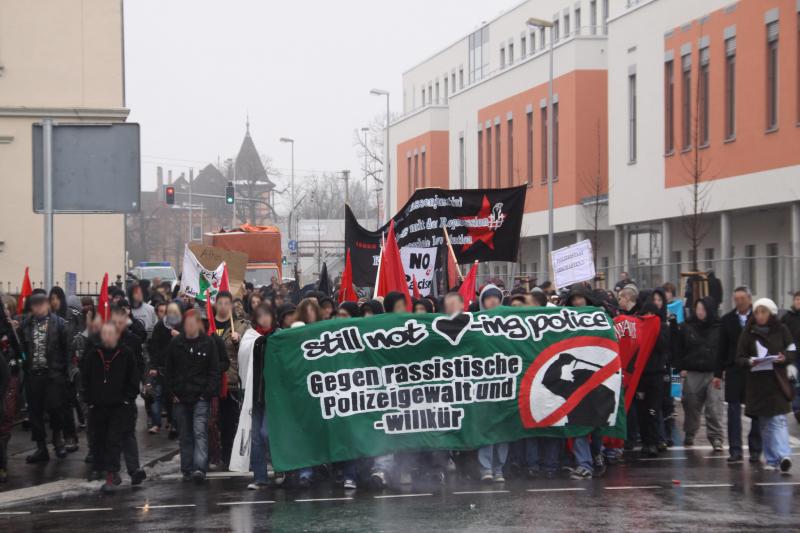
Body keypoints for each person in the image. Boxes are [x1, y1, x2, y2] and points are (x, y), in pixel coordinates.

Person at [736, 298, 796, 474]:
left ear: (771, 313)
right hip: (757, 385)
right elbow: (739, 358)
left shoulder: (782, 329)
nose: (760, 316)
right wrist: (750, 361)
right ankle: (771, 458)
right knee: (764, 423)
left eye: (764, 312)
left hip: (777, 381)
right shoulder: (748, 332)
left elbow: (792, 350)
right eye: (757, 312)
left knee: (779, 420)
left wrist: (784, 357)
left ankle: (784, 456)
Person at [82, 322, 140, 492]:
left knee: (114, 439)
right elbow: (85, 377)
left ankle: (111, 473)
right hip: (98, 404)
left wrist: (127, 398)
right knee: (98, 437)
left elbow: (133, 378)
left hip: (119, 406)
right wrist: (88, 398)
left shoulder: (125, 354)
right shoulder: (94, 354)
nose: (107, 336)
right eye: (104, 333)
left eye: (110, 333)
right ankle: (99, 468)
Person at [164, 309, 220, 483]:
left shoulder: (208, 343)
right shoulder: (176, 343)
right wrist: (172, 393)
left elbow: (214, 371)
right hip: (180, 397)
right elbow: (169, 371)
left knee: (199, 432)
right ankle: (187, 468)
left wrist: (206, 394)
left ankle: (199, 468)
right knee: (185, 434)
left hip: (200, 397)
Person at [19, 292, 70, 462]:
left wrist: (65, 373)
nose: (39, 308)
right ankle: (41, 447)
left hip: (54, 375)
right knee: (35, 413)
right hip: (33, 375)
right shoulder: (25, 324)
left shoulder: (60, 324)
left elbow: (67, 351)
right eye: (35, 305)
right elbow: (21, 348)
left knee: (56, 409)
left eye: (42, 304)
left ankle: (58, 440)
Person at [717, 286, 762, 463]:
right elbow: (721, 347)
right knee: (733, 411)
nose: (740, 302)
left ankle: (756, 449)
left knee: (755, 411)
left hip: (754, 370)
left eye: (743, 299)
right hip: (734, 369)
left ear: (750, 299)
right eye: (736, 299)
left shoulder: (758, 317)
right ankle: (735, 450)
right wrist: (717, 373)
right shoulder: (727, 319)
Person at [674, 298, 724, 450]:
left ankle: (716, 438)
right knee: (691, 406)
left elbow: (723, 350)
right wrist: (680, 367)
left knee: (714, 406)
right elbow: (678, 349)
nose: (700, 312)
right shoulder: (686, 327)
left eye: (703, 309)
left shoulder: (719, 328)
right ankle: (690, 433)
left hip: (713, 372)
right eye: (698, 309)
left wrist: (721, 370)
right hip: (693, 372)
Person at [239, 305, 279, 490]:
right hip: (255, 395)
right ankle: (260, 478)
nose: (264, 319)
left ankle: (281, 469)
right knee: (255, 436)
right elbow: (244, 358)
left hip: (274, 396)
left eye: (267, 314)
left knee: (267, 433)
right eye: (260, 316)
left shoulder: (279, 336)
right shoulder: (250, 337)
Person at [108, 305, 147, 484]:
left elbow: (138, 367)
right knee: (111, 437)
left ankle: (134, 469)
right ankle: (112, 471)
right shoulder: (104, 341)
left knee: (127, 434)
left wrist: (132, 392)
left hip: (125, 397)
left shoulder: (133, 341)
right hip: (107, 397)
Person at [212, 291, 250, 468]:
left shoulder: (241, 326)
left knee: (229, 421)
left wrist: (239, 340)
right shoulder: (208, 325)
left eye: (227, 303)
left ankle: (229, 457)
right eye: (220, 303)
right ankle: (213, 456)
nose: (224, 306)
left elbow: (250, 348)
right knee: (210, 422)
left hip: (232, 379)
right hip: (210, 380)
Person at [476, 284, 508, 482]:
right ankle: (485, 468)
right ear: (483, 301)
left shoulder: (511, 322)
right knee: (486, 428)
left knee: (503, 429)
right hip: (484, 385)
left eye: (496, 297)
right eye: (489, 298)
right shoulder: (475, 322)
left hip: (505, 382)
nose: (493, 301)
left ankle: (499, 468)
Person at [637, 301, 669, 457]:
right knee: (642, 410)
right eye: (647, 314)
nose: (649, 316)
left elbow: (664, 346)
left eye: (652, 314)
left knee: (653, 410)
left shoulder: (662, 328)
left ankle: (654, 441)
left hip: (656, 374)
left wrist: (654, 330)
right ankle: (645, 441)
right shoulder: (638, 327)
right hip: (641, 375)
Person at [147, 302, 183, 435]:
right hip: (162, 367)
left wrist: (179, 336)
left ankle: (173, 424)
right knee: (157, 395)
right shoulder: (159, 326)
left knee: (171, 397)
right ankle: (156, 423)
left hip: (177, 368)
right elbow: (154, 348)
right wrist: (153, 366)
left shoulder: (181, 326)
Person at [0, 297, 21, 482]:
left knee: (6, 416)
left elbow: (20, 350)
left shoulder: (10, 328)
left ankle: (2, 463)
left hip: (9, 374)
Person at [780, 291, 800, 423]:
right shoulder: (787, 317)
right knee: (795, 384)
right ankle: (797, 409)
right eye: (797, 299)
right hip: (793, 357)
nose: (799, 302)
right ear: (794, 301)